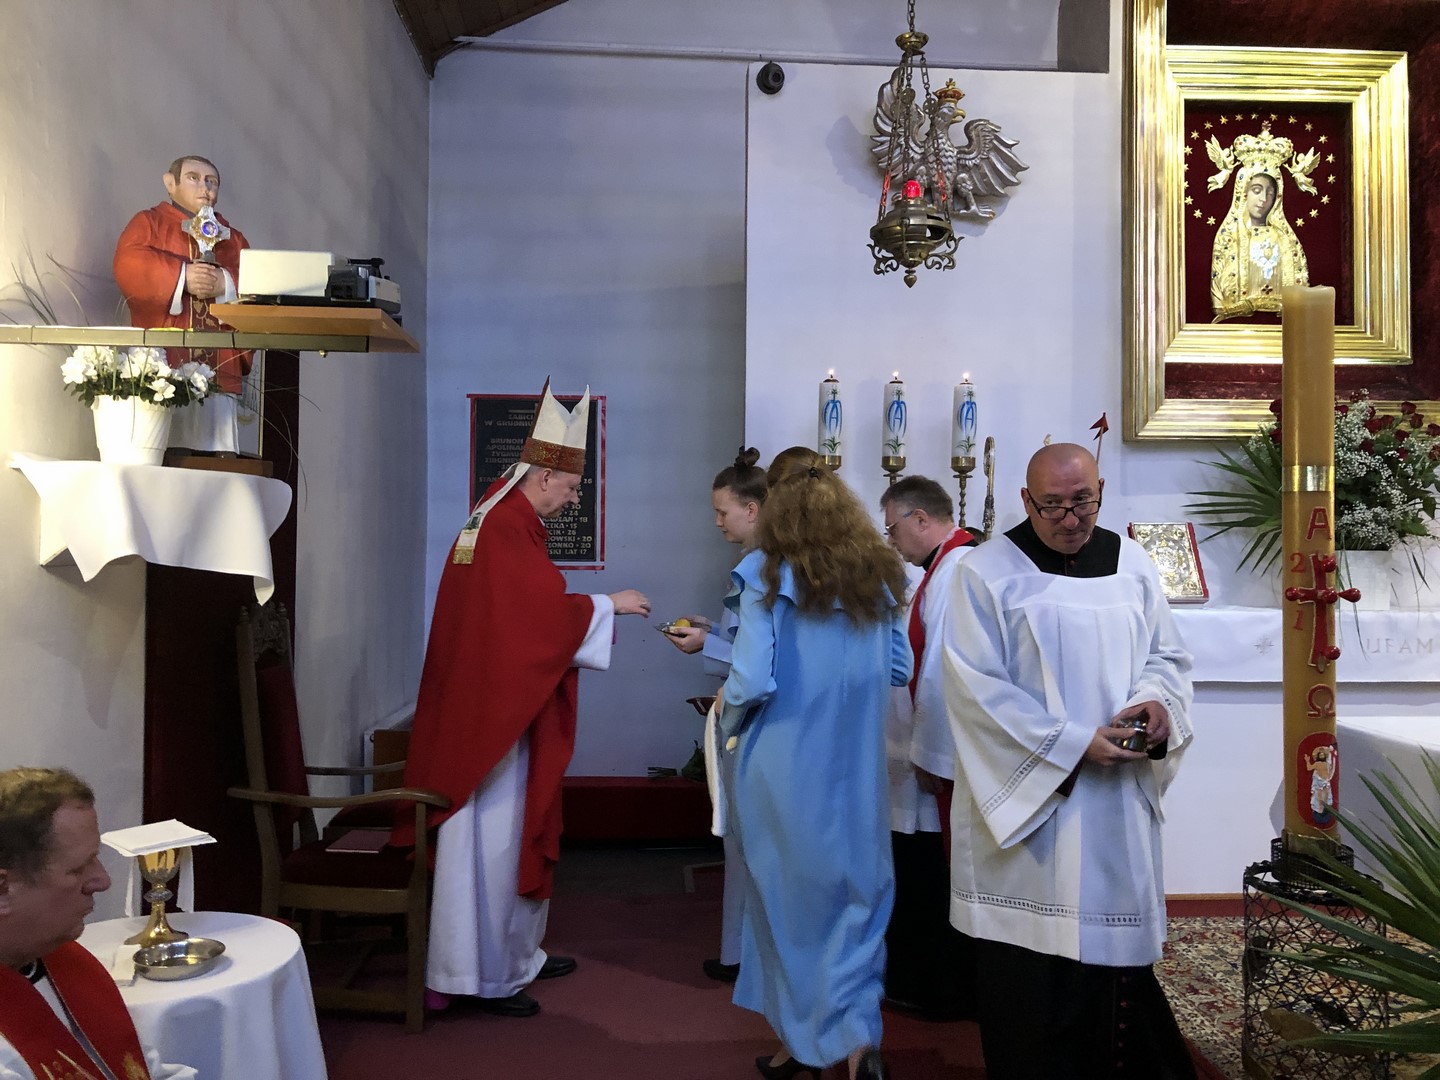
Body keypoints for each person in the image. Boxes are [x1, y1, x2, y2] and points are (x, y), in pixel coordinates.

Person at [395, 381, 651, 1018]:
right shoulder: (507, 524)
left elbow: (518, 613)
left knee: (498, 843)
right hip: (492, 722)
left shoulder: (499, 514)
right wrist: (608, 603)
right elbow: (531, 619)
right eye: (571, 488)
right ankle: (478, 975)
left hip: (488, 707)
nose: (573, 498)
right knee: (492, 844)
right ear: (543, 477)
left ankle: (513, 958)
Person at [941, 442, 1196, 1079]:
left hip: (1116, 805)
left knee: (1114, 975)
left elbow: (1166, 657)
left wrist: (1157, 703)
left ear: (1101, 491)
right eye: (1051, 505)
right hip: (1031, 815)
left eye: (1082, 501)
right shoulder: (986, 571)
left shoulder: (1133, 563)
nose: (1070, 518)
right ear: (1025, 501)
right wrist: (1072, 744)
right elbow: (975, 690)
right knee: (1030, 978)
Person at [717, 449, 911, 1080]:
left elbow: (751, 680)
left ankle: (811, 1039)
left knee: (789, 908)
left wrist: (725, 718)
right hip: (857, 766)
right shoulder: (878, 574)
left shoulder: (764, 572)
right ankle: (851, 1042)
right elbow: (899, 668)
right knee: (857, 900)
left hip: (782, 761)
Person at [0, 767, 196, 1080]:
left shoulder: (65, 963)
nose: (102, 881)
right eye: (78, 869)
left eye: (95, 857)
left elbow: (146, 1071)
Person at [663, 447, 769, 984]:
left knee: (748, 843)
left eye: (723, 511)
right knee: (739, 843)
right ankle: (737, 951)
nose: (717, 521)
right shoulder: (757, 563)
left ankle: (746, 956)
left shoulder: (764, 568)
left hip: (757, 721)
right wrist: (712, 629)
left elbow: (764, 663)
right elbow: (748, 640)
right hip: (745, 715)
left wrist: (708, 644)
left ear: (753, 509)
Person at [877, 476, 976, 1021]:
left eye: (892, 528)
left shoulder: (956, 570)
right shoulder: (941, 568)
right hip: (927, 743)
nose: (891, 540)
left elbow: (940, 673)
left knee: (936, 871)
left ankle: (941, 987)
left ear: (920, 519)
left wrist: (930, 757)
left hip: (941, 752)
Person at [113, 154, 252, 452]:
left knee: (217, 454)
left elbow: (258, 281)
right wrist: (181, 276)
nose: (205, 187)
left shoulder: (234, 239)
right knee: (162, 449)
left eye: (211, 181)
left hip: (219, 363)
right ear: (170, 183)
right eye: (193, 178)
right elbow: (129, 264)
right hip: (165, 363)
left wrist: (225, 283)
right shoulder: (149, 223)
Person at [1210, 157, 1309, 322]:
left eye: (1270, 193)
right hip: (1236, 326)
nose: (1263, 199)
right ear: (1243, 193)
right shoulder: (1228, 238)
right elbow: (1220, 304)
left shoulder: (1287, 240)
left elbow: (1300, 298)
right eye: (1256, 190)